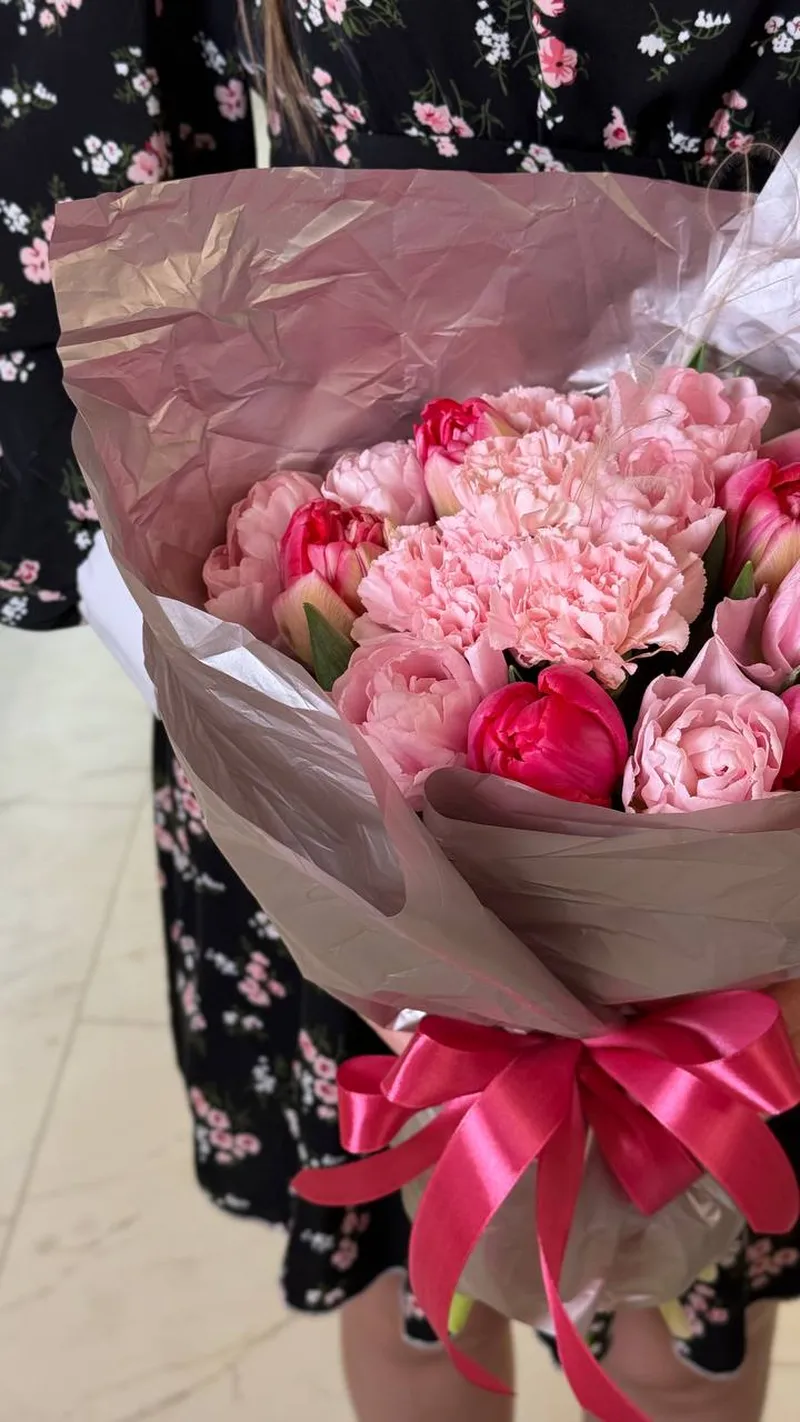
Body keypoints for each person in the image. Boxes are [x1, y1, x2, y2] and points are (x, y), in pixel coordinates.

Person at [4, 5, 800, 1422]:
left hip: (741, 585)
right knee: (438, 1279)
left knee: (673, 1312)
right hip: (319, 638)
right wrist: (118, 551)